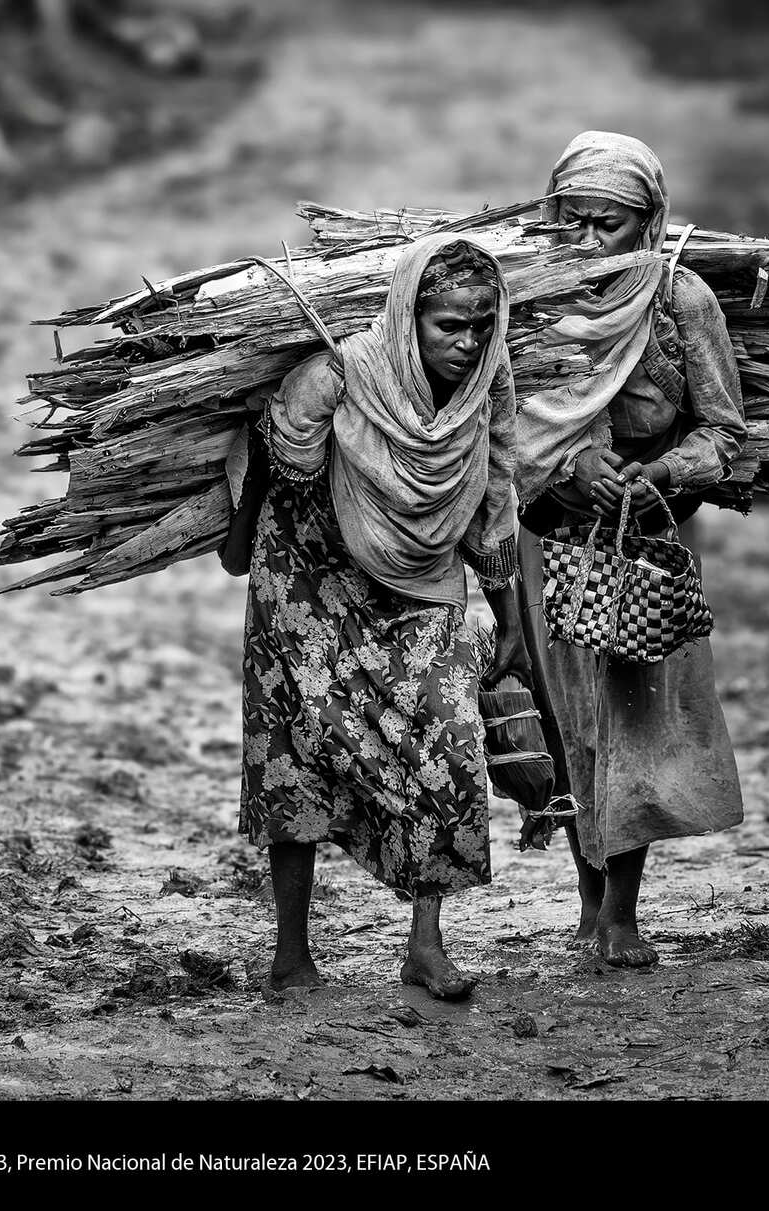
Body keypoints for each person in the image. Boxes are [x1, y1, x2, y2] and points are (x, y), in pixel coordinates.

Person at [239, 233, 529, 1000]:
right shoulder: (336, 375)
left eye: (482, 324)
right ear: (409, 318)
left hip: (424, 574)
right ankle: (291, 954)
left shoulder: (489, 378)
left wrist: (509, 616)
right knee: (297, 755)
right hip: (311, 576)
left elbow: (498, 484)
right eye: (449, 326)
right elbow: (285, 464)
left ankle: (425, 945)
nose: (468, 343)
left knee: (448, 740)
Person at [512, 131, 748, 968]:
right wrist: (567, 463)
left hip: (643, 548)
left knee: (634, 722)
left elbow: (724, 433)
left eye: (606, 223)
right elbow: (497, 423)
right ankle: (586, 901)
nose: (586, 239)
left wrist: (664, 470)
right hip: (549, 537)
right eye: (571, 219)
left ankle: (621, 911)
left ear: (648, 222)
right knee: (567, 720)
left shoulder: (681, 304)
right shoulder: (528, 300)